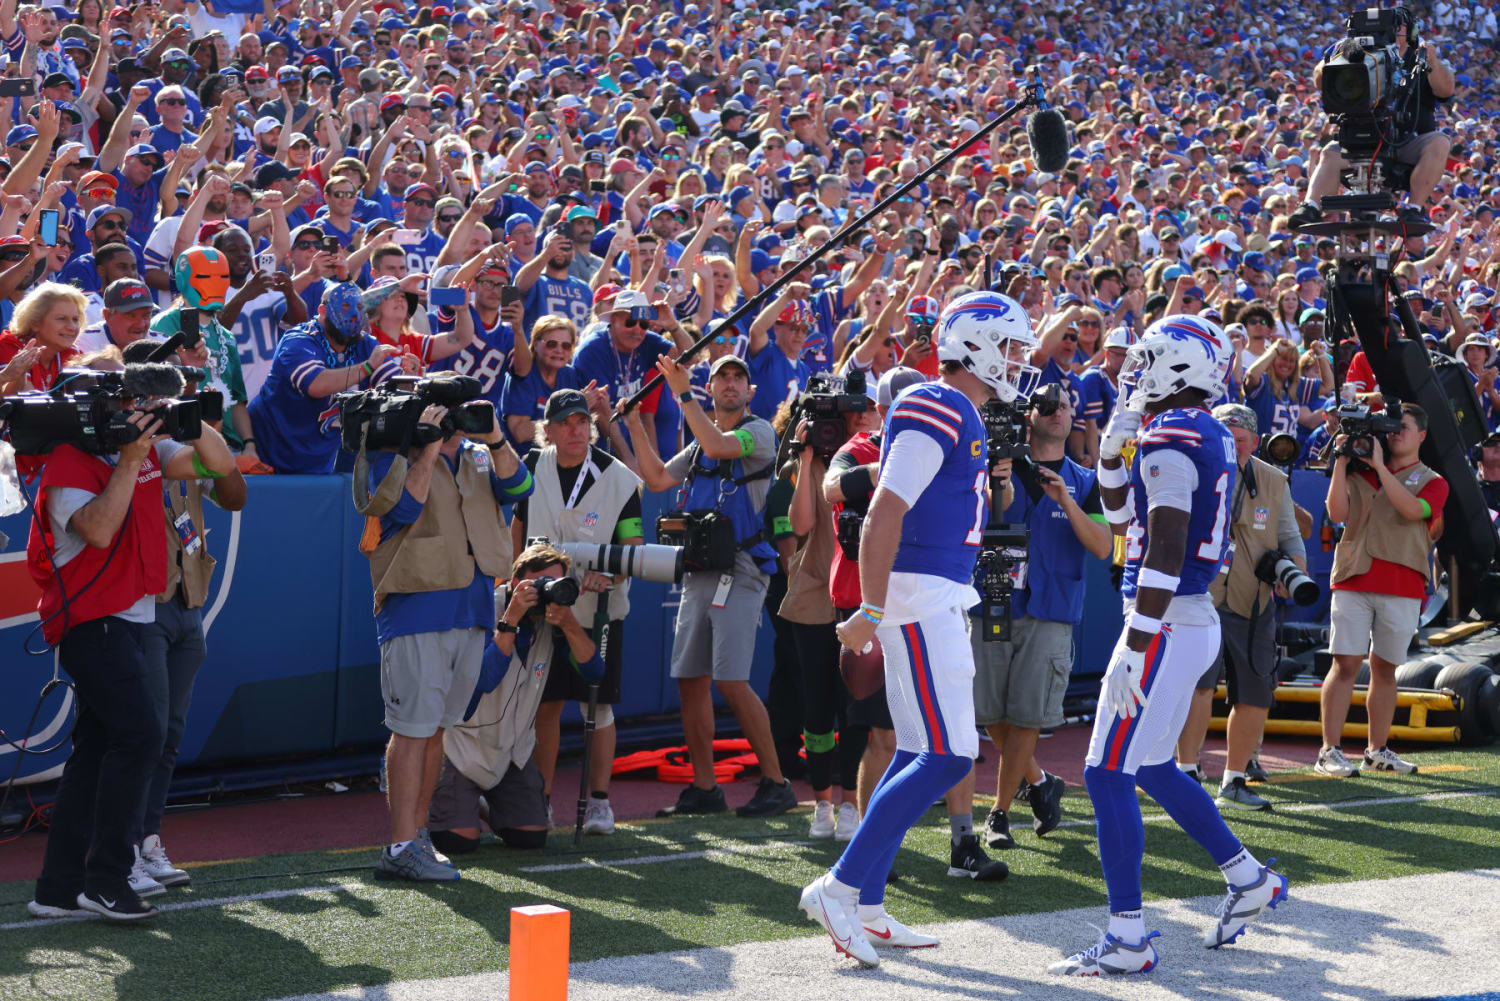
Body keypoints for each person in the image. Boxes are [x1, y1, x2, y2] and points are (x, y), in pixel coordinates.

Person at [798, 291, 1033, 968]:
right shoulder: (940, 402)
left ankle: (866, 902)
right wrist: (870, 606)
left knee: (917, 748)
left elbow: (899, 493)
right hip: (920, 593)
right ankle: (839, 886)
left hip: (931, 591)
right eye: (1010, 344)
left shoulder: (960, 410)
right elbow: (884, 509)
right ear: (979, 344)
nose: (1017, 358)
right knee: (950, 754)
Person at [1052, 314, 1287, 976]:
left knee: (1104, 772)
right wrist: (1109, 452)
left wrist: (1134, 638)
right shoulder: (1197, 429)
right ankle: (1247, 877)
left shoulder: (1174, 437)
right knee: (1151, 766)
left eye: (1145, 362)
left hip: (1167, 620)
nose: (1132, 375)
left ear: (1174, 368)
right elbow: (1123, 517)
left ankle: (1128, 935)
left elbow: (1165, 545)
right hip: (1186, 617)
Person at [25, 362, 236, 922]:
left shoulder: (142, 451)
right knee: (141, 735)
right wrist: (131, 457)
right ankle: (108, 878)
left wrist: (185, 415)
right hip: (94, 622)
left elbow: (219, 464)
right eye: (127, 405)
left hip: (133, 620)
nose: (136, 414)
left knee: (95, 753)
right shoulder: (70, 462)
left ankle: (57, 887)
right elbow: (98, 529)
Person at [358, 373, 533, 880]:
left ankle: (417, 837)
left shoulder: (480, 454)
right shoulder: (388, 452)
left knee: (437, 729)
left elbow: (522, 487)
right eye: (445, 410)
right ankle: (398, 846)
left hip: (472, 608)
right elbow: (399, 508)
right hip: (416, 606)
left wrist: (495, 437)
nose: (456, 420)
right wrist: (427, 449)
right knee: (411, 731)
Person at [622, 353, 798, 820]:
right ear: (713, 387)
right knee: (689, 679)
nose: (732, 384)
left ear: (751, 391)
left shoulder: (757, 432)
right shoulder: (701, 441)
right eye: (723, 377)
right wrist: (633, 423)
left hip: (740, 568)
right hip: (701, 568)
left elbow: (722, 446)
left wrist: (681, 395)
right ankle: (705, 787)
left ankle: (776, 782)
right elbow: (657, 478)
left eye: (740, 377)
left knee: (731, 679)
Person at [115, 342, 249, 897]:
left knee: (168, 736)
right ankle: (119, 847)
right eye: (157, 393)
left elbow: (235, 492)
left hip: (186, 599)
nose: (167, 401)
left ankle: (147, 839)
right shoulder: (121, 443)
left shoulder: (185, 437)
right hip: (140, 600)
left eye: (173, 391)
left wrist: (194, 423)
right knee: (139, 733)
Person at [978, 383, 1113, 850]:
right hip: (992, 600)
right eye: (1048, 405)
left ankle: (998, 814)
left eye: (1066, 406)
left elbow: (1102, 547)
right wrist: (998, 484)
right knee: (987, 711)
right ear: (1028, 414)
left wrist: (1066, 503)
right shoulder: (997, 464)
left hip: (1052, 607)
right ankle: (1039, 780)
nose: (1058, 412)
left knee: (1028, 714)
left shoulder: (1084, 479)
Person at [508, 388, 644, 835]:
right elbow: (518, 528)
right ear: (547, 430)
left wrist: (612, 577)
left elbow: (633, 549)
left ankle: (601, 802)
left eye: (582, 421)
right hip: (540, 611)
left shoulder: (619, 478)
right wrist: (515, 581)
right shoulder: (530, 468)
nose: (575, 430)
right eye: (565, 423)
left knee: (598, 707)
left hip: (599, 610)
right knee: (544, 706)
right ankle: (542, 801)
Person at [428, 542, 604, 856]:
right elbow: (482, 680)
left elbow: (593, 673)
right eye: (538, 584)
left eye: (554, 584)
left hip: (513, 752)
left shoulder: (554, 622)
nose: (545, 592)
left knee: (530, 839)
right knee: (458, 843)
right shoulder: (486, 608)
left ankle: (481, 805)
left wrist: (569, 623)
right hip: (461, 747)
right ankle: (445, 798)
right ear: (514, 582)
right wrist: (511, 617)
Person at [1174, 405, 1307, 812]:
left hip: (1254, 599)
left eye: (1241, 437)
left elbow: (1289, 534)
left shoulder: (1272, 478)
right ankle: (1187, 772)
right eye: (1226, 435)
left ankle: (1234, 780)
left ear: (1255, 439)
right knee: (1197, 687)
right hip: (1200, 596)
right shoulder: (1192, 469)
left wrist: (1296, 574)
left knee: (1254, 693)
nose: (1234, 443)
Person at [1320, 403, 1447, 777]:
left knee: (1385, 669)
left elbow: (1412, 510)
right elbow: (1337, 514)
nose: (1394, 432)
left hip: (1403, 582)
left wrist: (1378, 467)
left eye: (1402, 426)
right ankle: (1329, 750)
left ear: (1422, 435)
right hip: (1354, 575)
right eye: (1390, 427)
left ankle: (1377, 750)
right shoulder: (1359, 468)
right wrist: (1342, 461)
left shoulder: (1434, 480)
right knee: (1344, 663)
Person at [780, 376, 882, 840]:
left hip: (858, 593)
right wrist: (804, 459)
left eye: (866, 408)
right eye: (849, 409)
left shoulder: (872, 458)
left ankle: (850, 806)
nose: (859, 416)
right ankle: (821, 802)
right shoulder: (808, 462)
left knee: (855, 706)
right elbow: (799, 525)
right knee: (817, 705)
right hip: (812, 594)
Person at [1293, 9, 1455, 222]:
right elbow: (1318, 80)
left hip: (1407, 140)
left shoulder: (1420, 55)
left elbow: (1447, 90)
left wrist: (1431, 62)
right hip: (1359, 139)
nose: (1393, 30)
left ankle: (1413, 209)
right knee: (1329, 154)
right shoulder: (1353, 53)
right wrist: (1338, 55)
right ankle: (1310, 206)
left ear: (1411, 31)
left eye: (1399, 25)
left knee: (1440, 142)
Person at [247, 283, 417, 475]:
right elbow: (316, 384)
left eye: (359, 307)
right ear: (322, 310)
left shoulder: (364, 343)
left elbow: (395, 388)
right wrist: (367, 367)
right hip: (269, 451)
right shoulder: (298, 340)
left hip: (320, 457)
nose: (353, 315)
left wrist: (407, 376)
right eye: (345, 306)